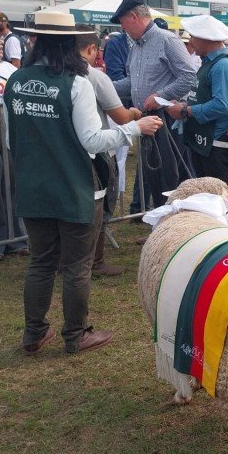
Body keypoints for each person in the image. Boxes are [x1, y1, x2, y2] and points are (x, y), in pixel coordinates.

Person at [6, 11, 162, 355]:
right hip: (75, 187)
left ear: (36, 40)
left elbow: (10, 139)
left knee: (42, 262)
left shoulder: (17, 80)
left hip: (33, 187)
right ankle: (76, 335)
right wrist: (136, 128)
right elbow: (92, 140)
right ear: (71, 44)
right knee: (77, 266)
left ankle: (33, 334)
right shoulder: (75, 83)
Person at [165, 15, 228, 229]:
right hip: (206, 141)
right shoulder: (211, 64)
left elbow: (221, 106)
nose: (191, 42)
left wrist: (185, 110)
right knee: (211, 195)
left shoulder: (223, 66)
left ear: (205, 39)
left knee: (223, 197)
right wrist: (186, 105)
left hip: (217, 144)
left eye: (193, 37)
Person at [110, 0, 196, 209]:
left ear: (134, 17)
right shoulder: (137, 46)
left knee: (168, 176)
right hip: (146, 119)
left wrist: (161, 96)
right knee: (154, 175)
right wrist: (104, 87)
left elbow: (188, 77)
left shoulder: (167, 40)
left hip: (166, 119)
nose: (123, 29)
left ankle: (172, 227)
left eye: (123, 23)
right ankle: (160, 225)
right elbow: (132, 81)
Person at [75, 27, 144, 277]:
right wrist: (135, 115)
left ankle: (71, 260)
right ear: (92, 49)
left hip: (65, 154)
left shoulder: (53, 74)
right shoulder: (94, 77)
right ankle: (95, 261)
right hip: (97, 152)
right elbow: (121, 116)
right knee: (102, 206)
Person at [0, 37, 26, 261]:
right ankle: (0, 241)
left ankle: (17, 239)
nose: (0, 45)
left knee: (12, 183)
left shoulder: (9, 68)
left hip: (7, 128)